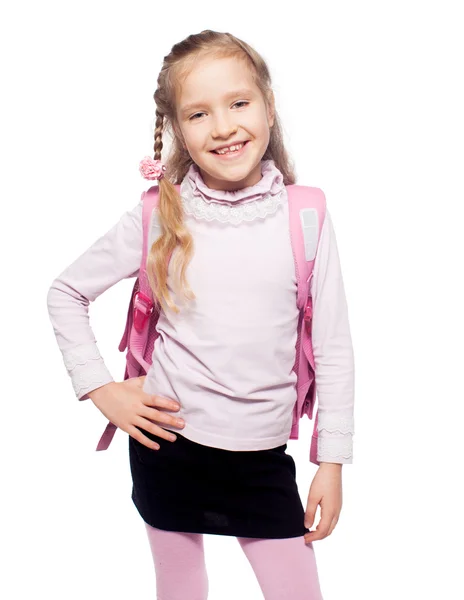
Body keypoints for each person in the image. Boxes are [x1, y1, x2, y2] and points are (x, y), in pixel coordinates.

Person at [47, 29, 355, 600]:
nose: (223, 126)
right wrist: (101, 390)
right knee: (182, 588)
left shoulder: (306, 215)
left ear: (268, 106)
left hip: (262, 460)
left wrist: (331, 462)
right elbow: (66, 292)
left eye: (238, 102)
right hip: (168, 446)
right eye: (199, 113)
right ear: (177, 130)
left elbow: (333, 346)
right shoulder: (159, 214)